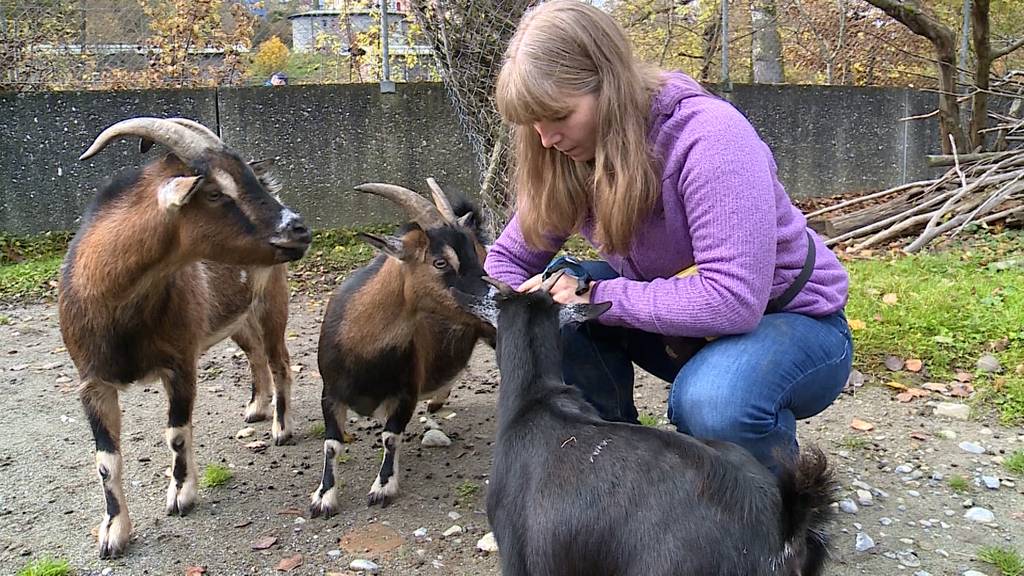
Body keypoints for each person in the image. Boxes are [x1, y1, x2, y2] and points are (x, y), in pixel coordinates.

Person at [484, 0, 852, 473]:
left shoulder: (711, 138)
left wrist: (595, 294)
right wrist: (522, 303)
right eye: (532, 122)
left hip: (790, 322)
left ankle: (774, 509)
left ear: (609, 84)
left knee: (716, 402)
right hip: (686, 329)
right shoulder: (568, 155)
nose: (545, 138)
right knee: (555, 315)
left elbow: (733, 300)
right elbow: (507, 261)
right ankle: (615, 474)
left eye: (557, 114)